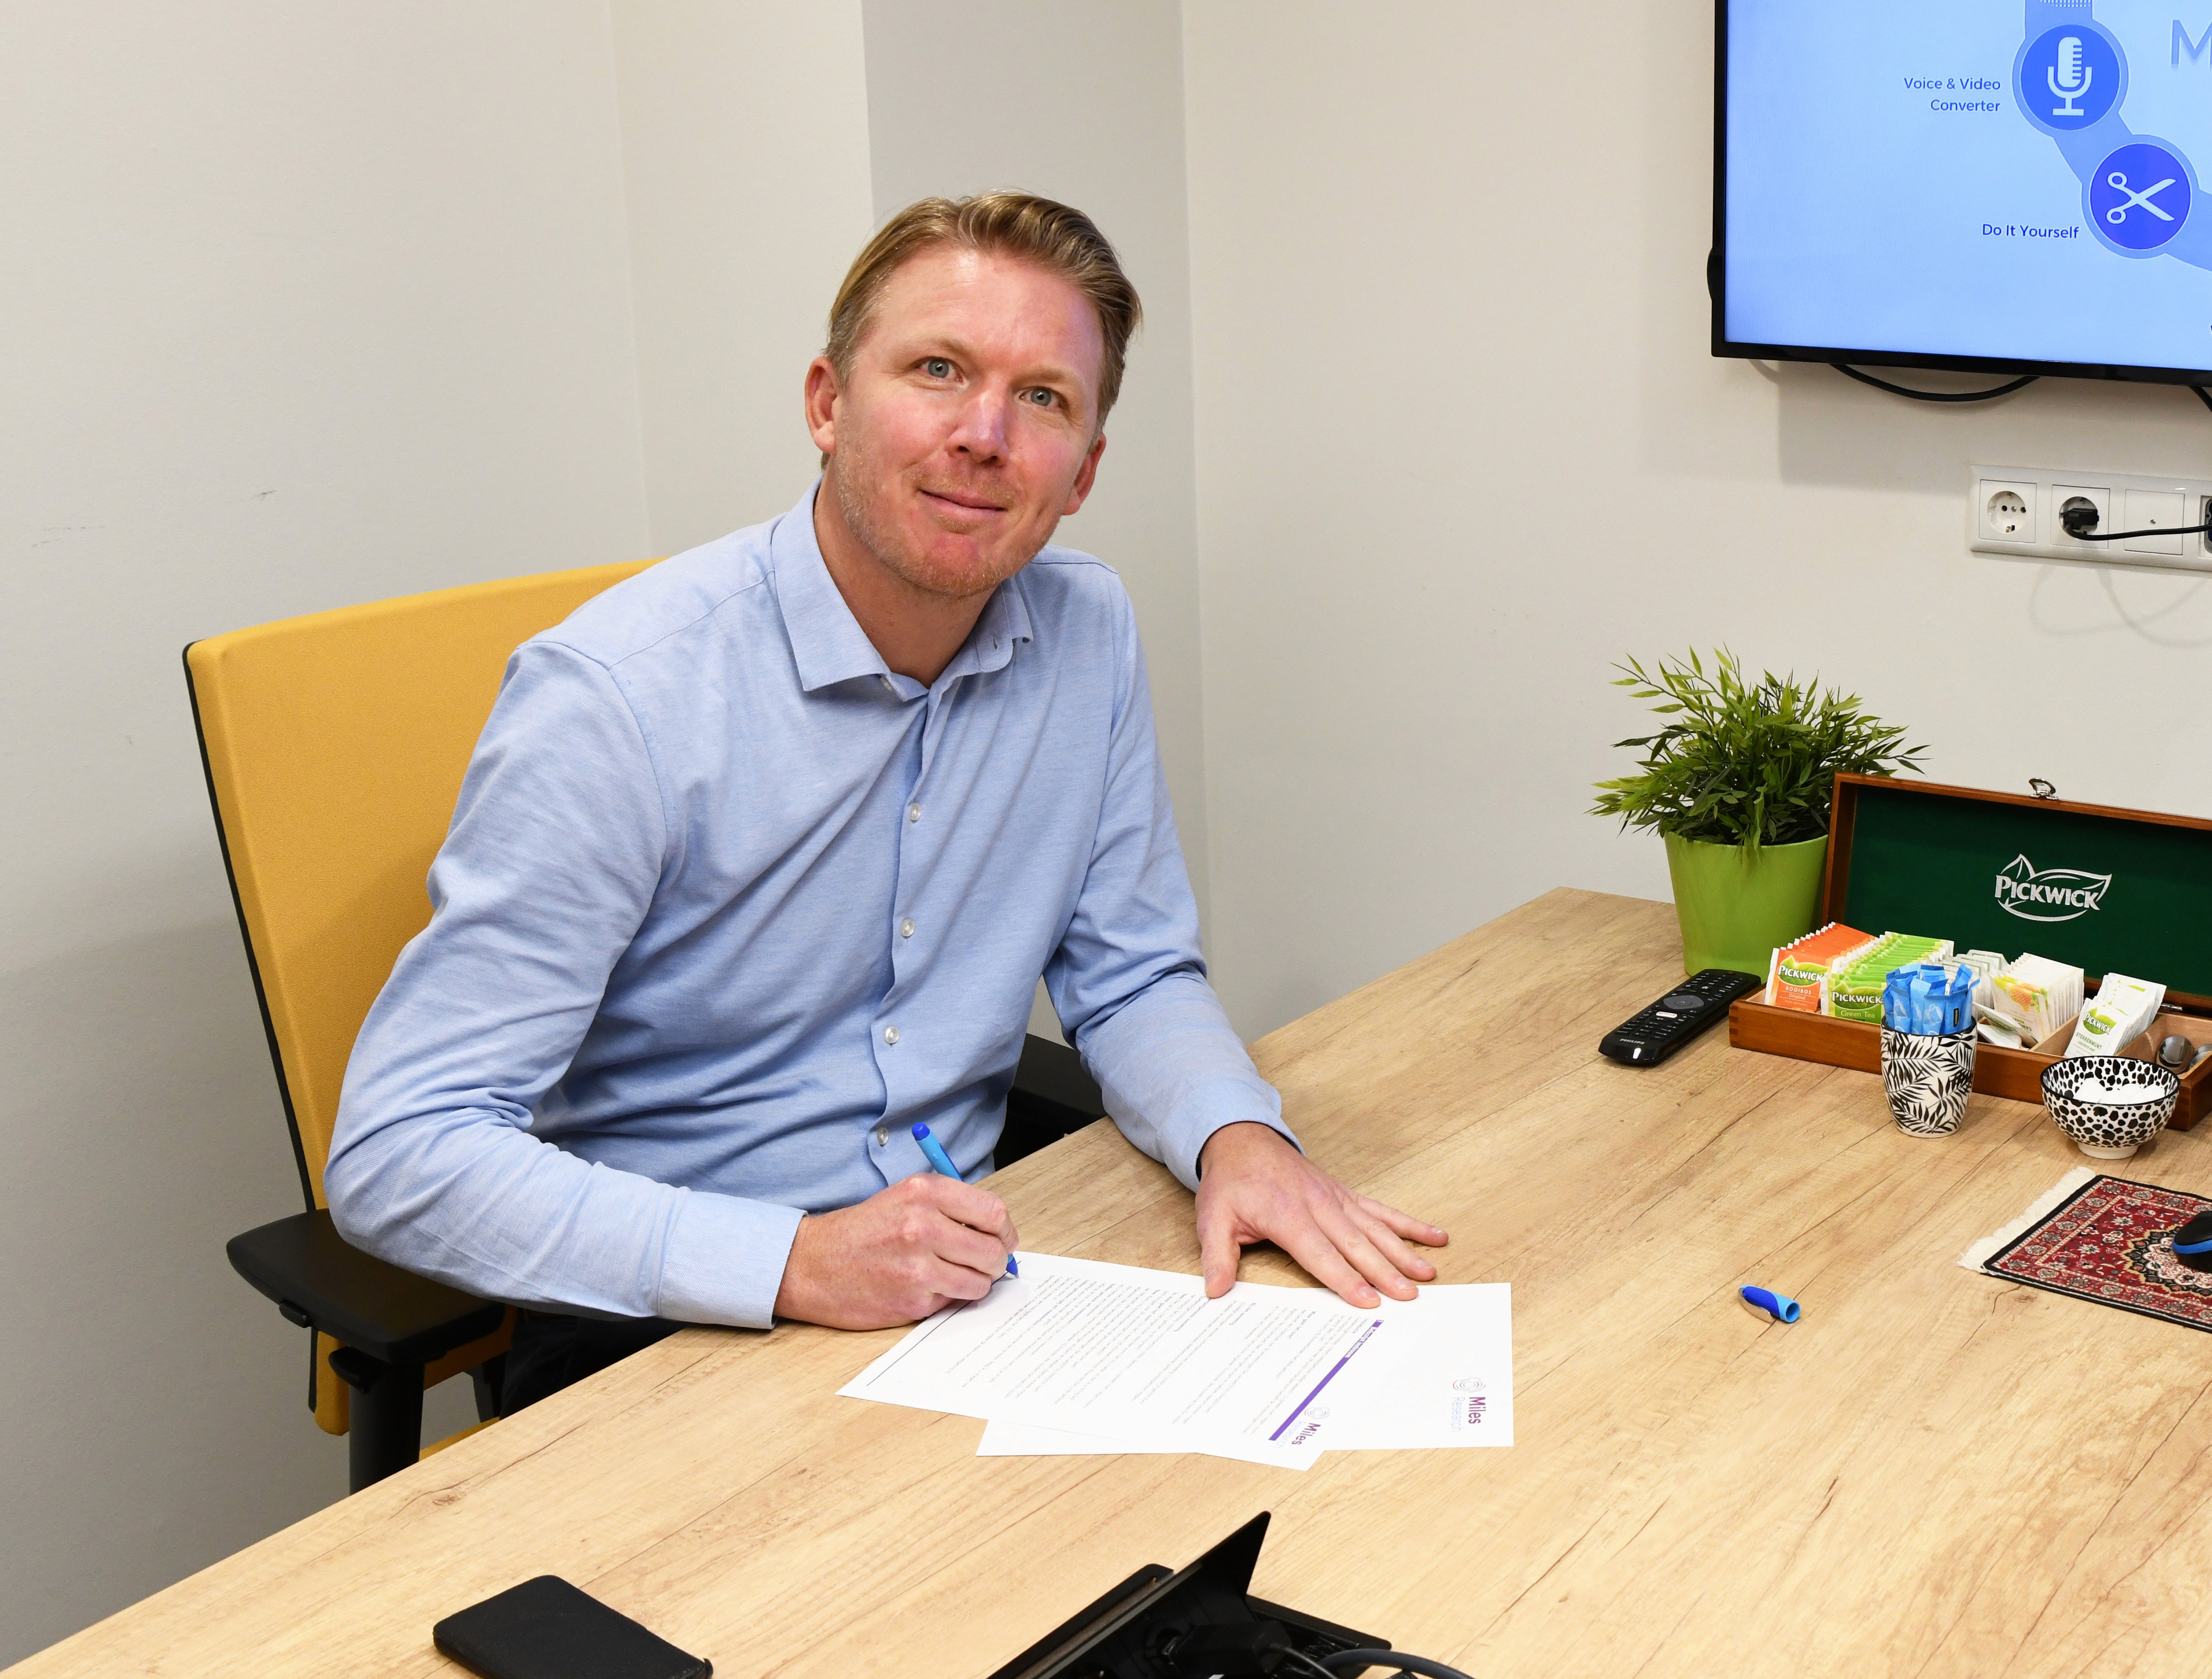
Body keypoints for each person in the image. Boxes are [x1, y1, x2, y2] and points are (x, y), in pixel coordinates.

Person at [328, 192, 1444, 1411]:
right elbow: (400, 1154)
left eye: (1044, 399)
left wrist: (1239, 1139)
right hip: (665, 1328)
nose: (985, 435)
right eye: (938, 370)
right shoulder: (616, 698)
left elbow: (1128, 973)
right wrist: (794, 1263)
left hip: (968, 1286)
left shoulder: (1088, 632)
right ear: (827, 403)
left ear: (1083, 473)